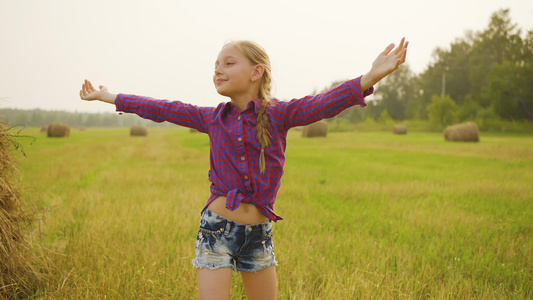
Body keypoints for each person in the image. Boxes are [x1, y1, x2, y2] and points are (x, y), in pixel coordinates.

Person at [79, 38, 408, 300]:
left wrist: (369, 78)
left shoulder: (279, 114)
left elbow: (322, 103)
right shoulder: (211, 118)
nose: (218, 70)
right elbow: (161, 108)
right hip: (216, 232)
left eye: (228, 63)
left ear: (256, 72)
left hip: (260, 236)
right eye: (216, 65)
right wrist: (107, 96)